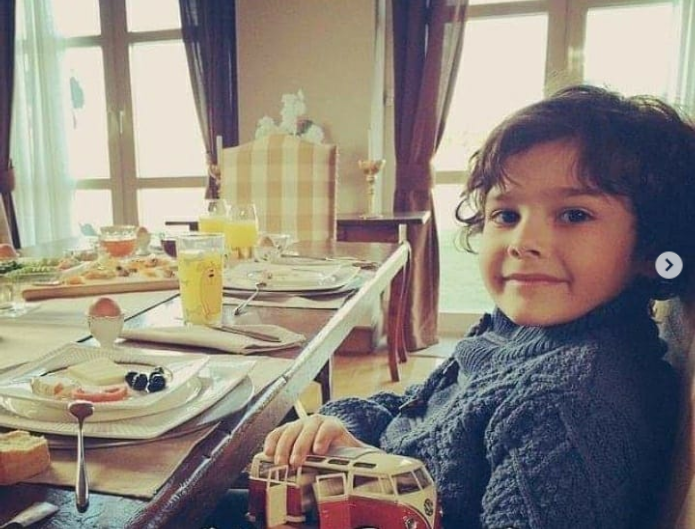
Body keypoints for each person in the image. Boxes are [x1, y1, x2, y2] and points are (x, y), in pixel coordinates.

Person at [206, 85, 695, 528]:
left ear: (651, 246)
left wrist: (378, 482)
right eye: (506, 214)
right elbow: (419, 406)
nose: (523, 241)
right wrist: (344, 425)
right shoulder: (517, 332)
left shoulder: (568, 405)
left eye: (574, 214)